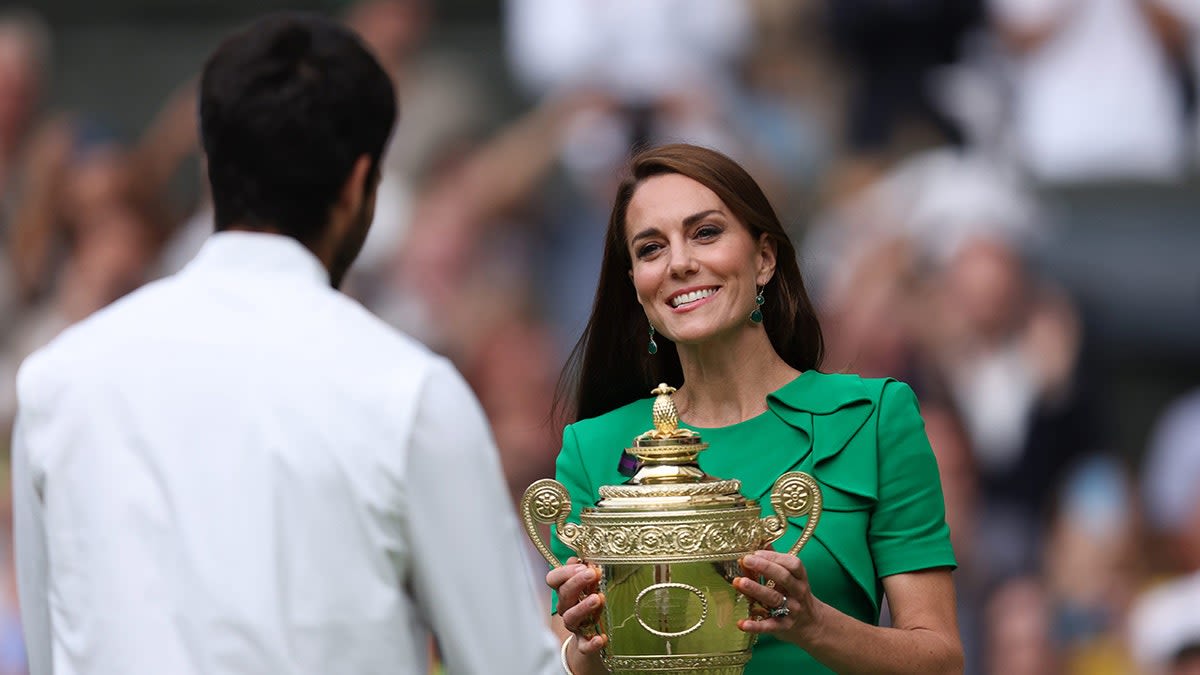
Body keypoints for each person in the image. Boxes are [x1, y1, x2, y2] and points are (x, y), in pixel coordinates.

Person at [10, 13, 558, 675]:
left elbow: (46, 653)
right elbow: (510, 667)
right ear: (361, 184)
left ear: (211, 167)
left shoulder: (56, 381)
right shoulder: (410, 392)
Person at [546, 144, 963, 674]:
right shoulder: (592, 448)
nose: (680, 263)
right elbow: (582, 660)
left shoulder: (875, 417)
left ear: (764, 258)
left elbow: (942, 661)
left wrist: (815, 625)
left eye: (705, 233)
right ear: (637, 287)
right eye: (651, 248)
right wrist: (585, 651)